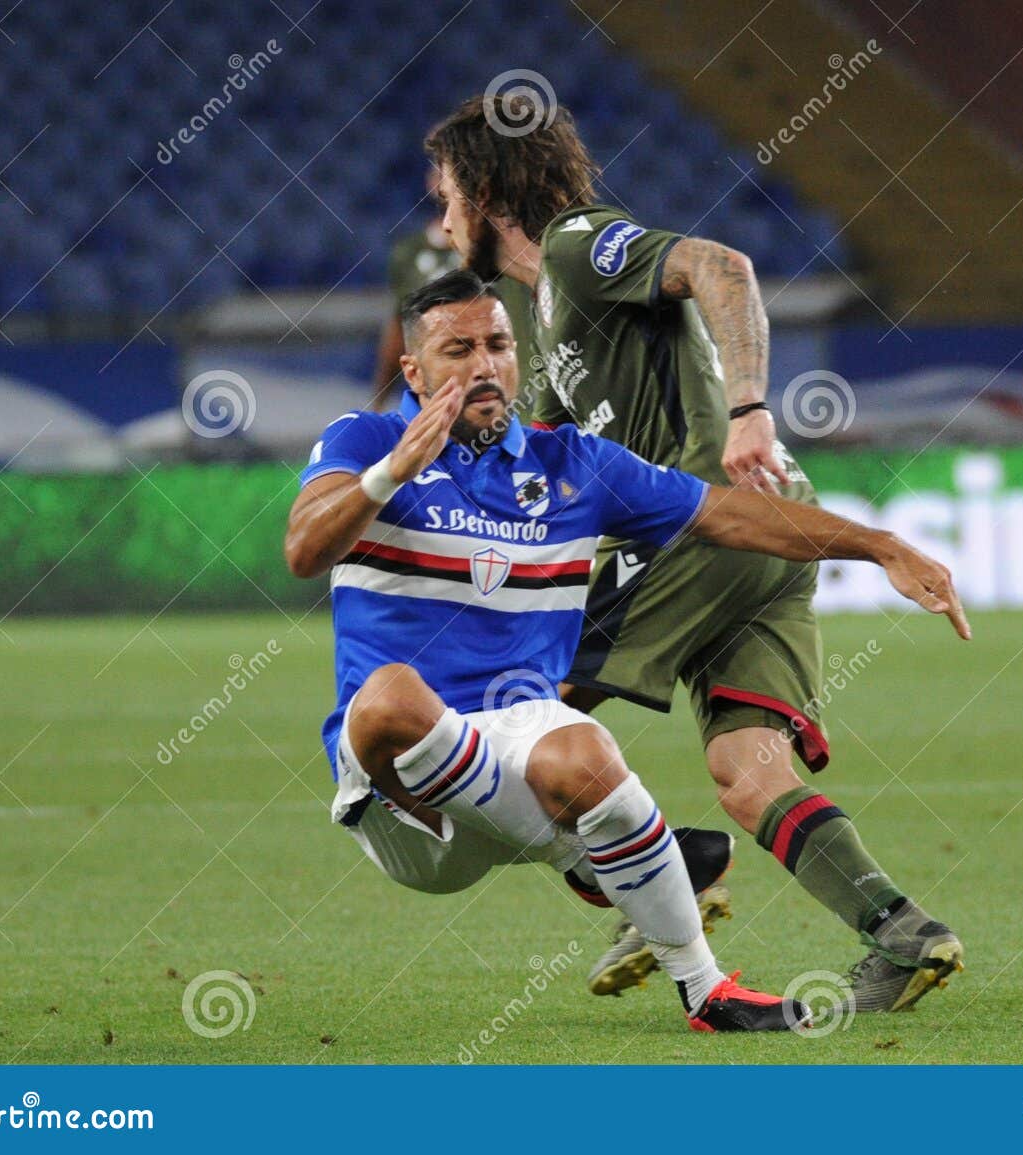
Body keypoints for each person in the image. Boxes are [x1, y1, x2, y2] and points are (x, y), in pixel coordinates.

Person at [284, 270, 968, 1030]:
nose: (483, 364)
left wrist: (879, 545)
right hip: (405, 805)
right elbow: (305, 551)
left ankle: (707, 991)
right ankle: (586, 857)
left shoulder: (573, 462)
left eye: (499, 344)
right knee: (389, 696)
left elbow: (730, 517)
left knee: (583, 746)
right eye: (458, 349)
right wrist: (391, 473)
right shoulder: (364, 439)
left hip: (517, 741)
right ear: (413, 370)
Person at [423, 96, 969, 1011]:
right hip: (773, 536)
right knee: (749, 773)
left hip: (708, 527)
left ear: (485, 191)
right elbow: (554, 481)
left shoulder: (577, 245)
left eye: (445, 198)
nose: (440, 223)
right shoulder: (543, 318)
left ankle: (662, 869)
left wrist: (751, 407)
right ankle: (905, 934)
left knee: (505, 713)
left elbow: (722, 264)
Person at [372, 169, 534, 411]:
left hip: (521, 395)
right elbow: (400, 327)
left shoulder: (512, 238)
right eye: (441, 169)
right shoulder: (408, 253)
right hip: (446, 401)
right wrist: (379, 401)